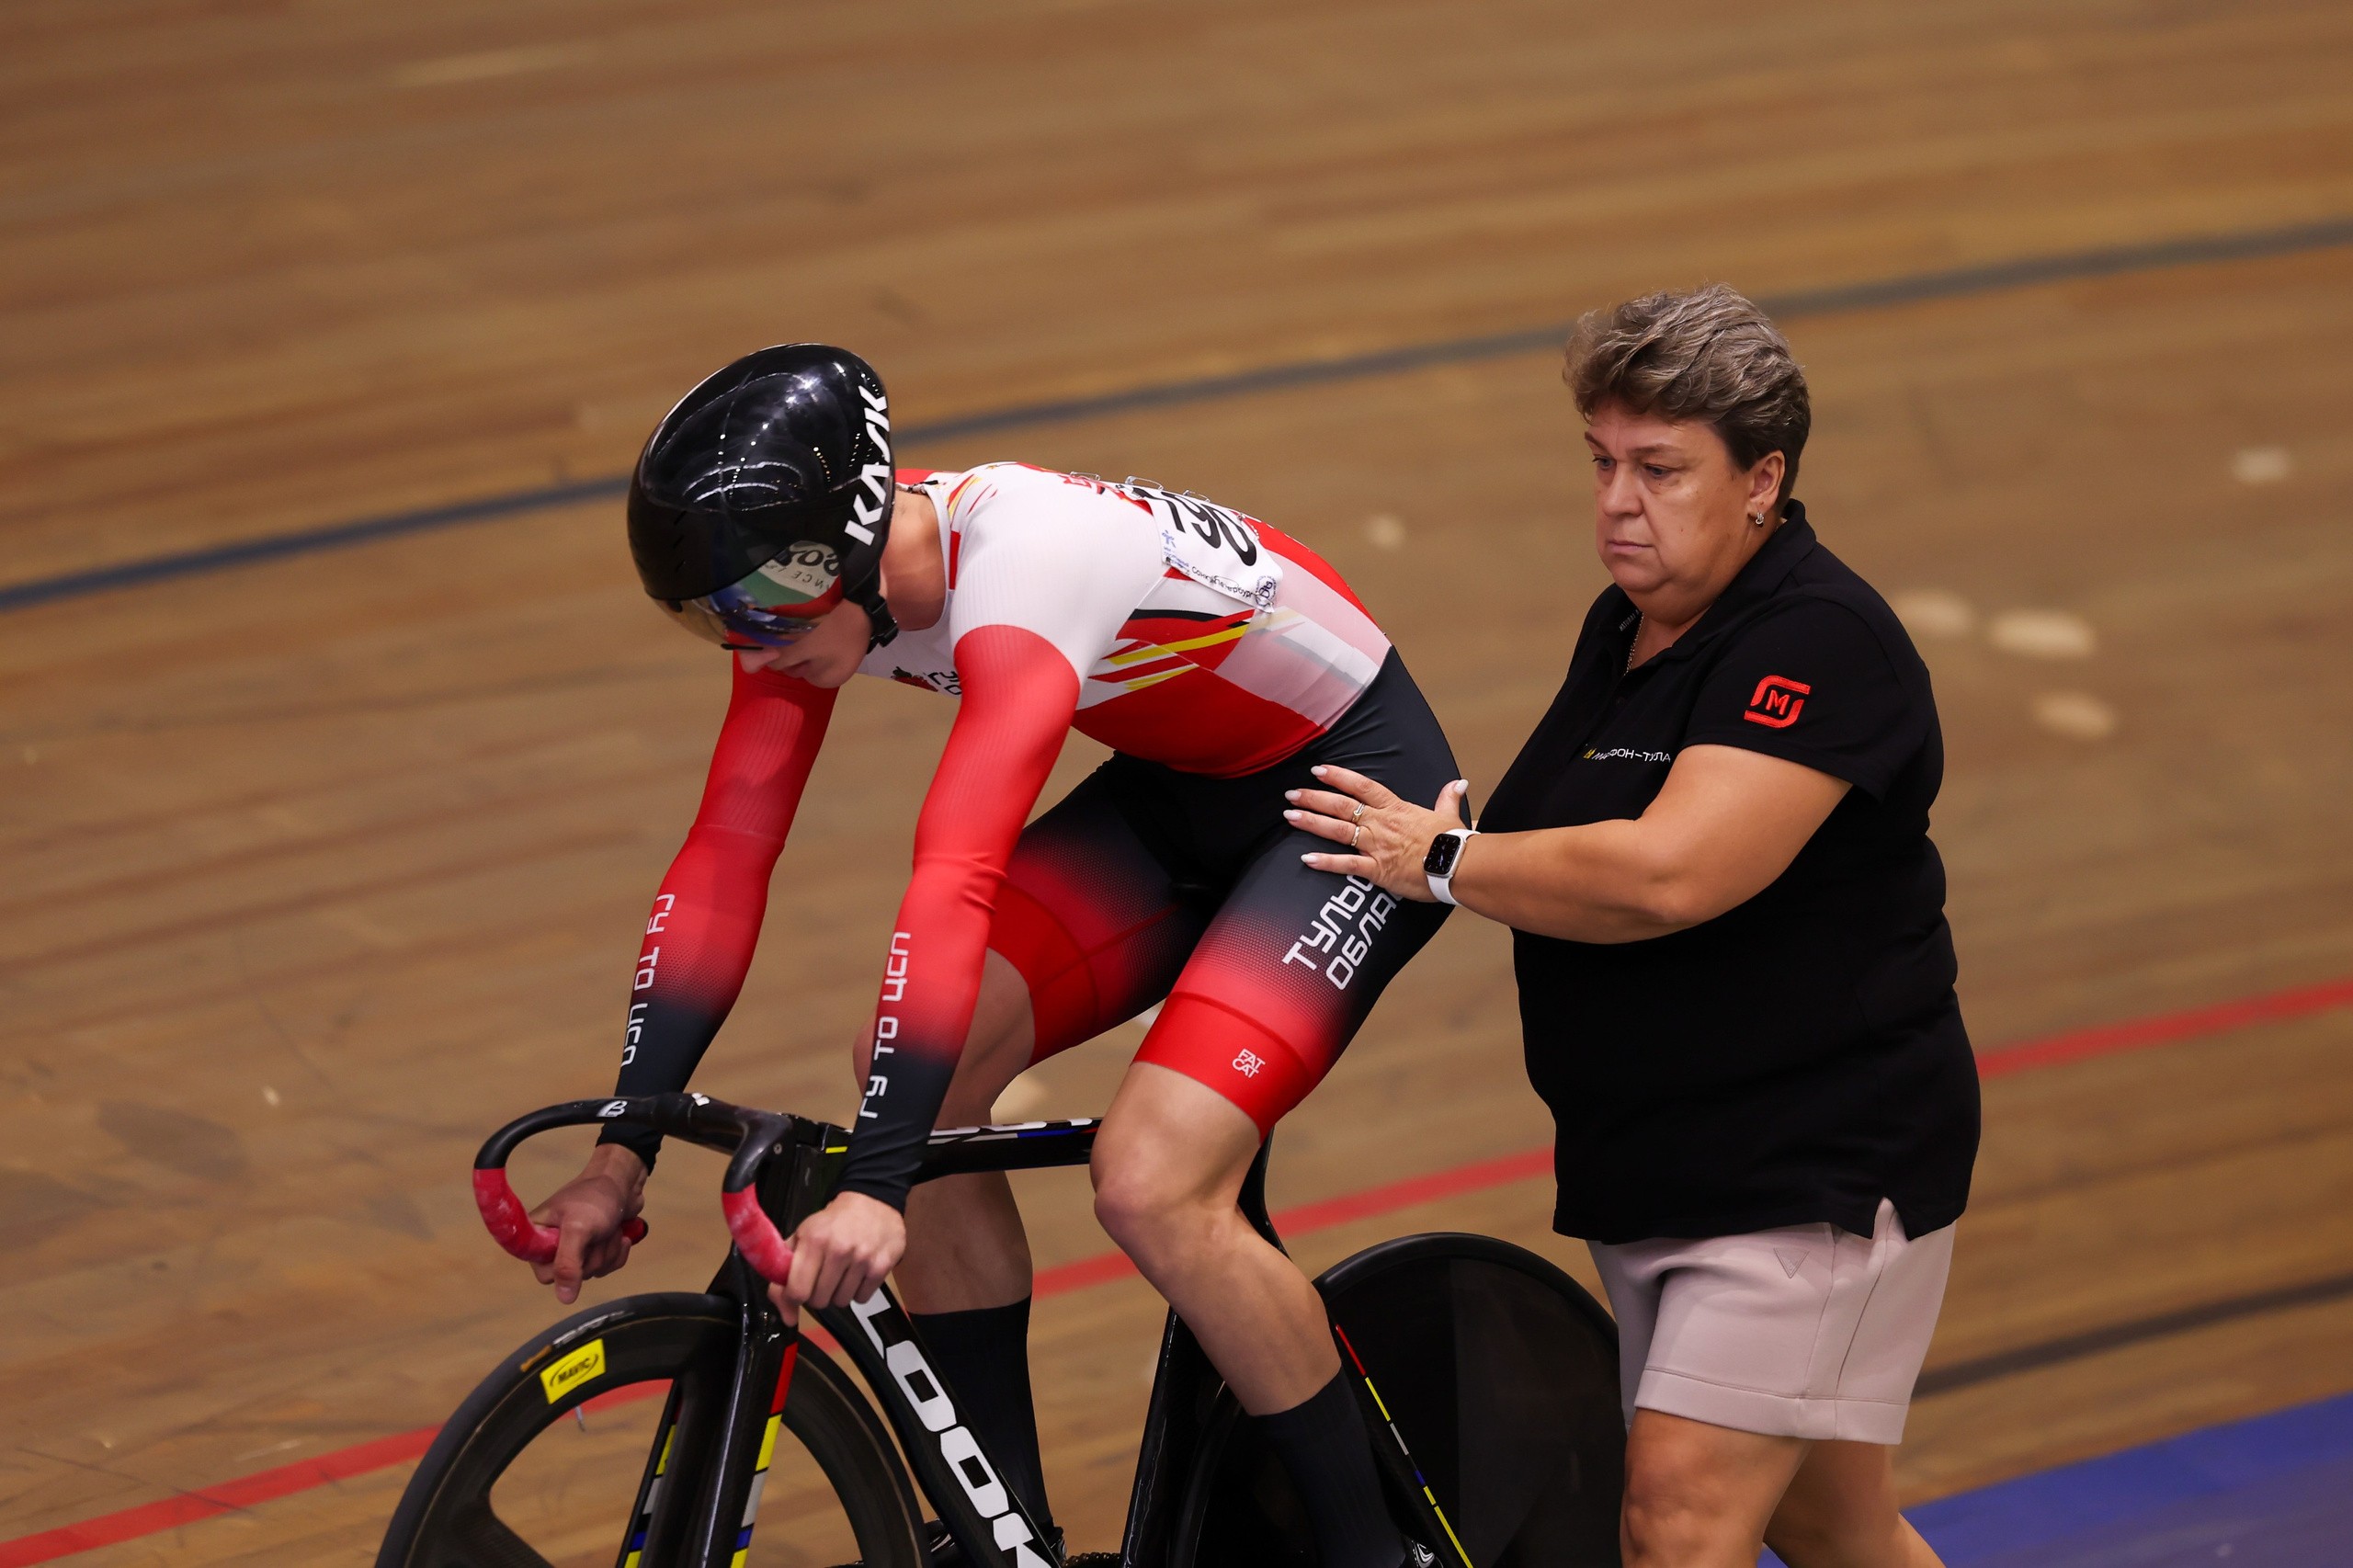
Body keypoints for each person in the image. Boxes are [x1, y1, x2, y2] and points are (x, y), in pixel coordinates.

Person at [525, 344, 1456, 1568]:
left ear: (846, 542)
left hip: (1354, 802)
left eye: (756, 605)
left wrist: (879, 1182)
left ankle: (1374, 1556)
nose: (744, 645)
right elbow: (723, 861)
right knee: (916, 1072)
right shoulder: (808, 603)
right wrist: (620, 1154)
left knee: (1151, 1183)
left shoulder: (1028, 561)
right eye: (710, 621)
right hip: (1180, 789)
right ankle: (1002, 1533)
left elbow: (953, 875)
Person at [1286, 285, 1978, 1568]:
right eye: (1602, 462)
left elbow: (1671, 874)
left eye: (1660, 469)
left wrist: (1443, 860)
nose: (1617, 501)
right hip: (1659, 1160)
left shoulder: (1823, 641)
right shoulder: (1630, 625)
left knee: (1674, 1523)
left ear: (1763, 480)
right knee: (1830, 1524)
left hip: (1807, 1166)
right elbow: (1563, 836)